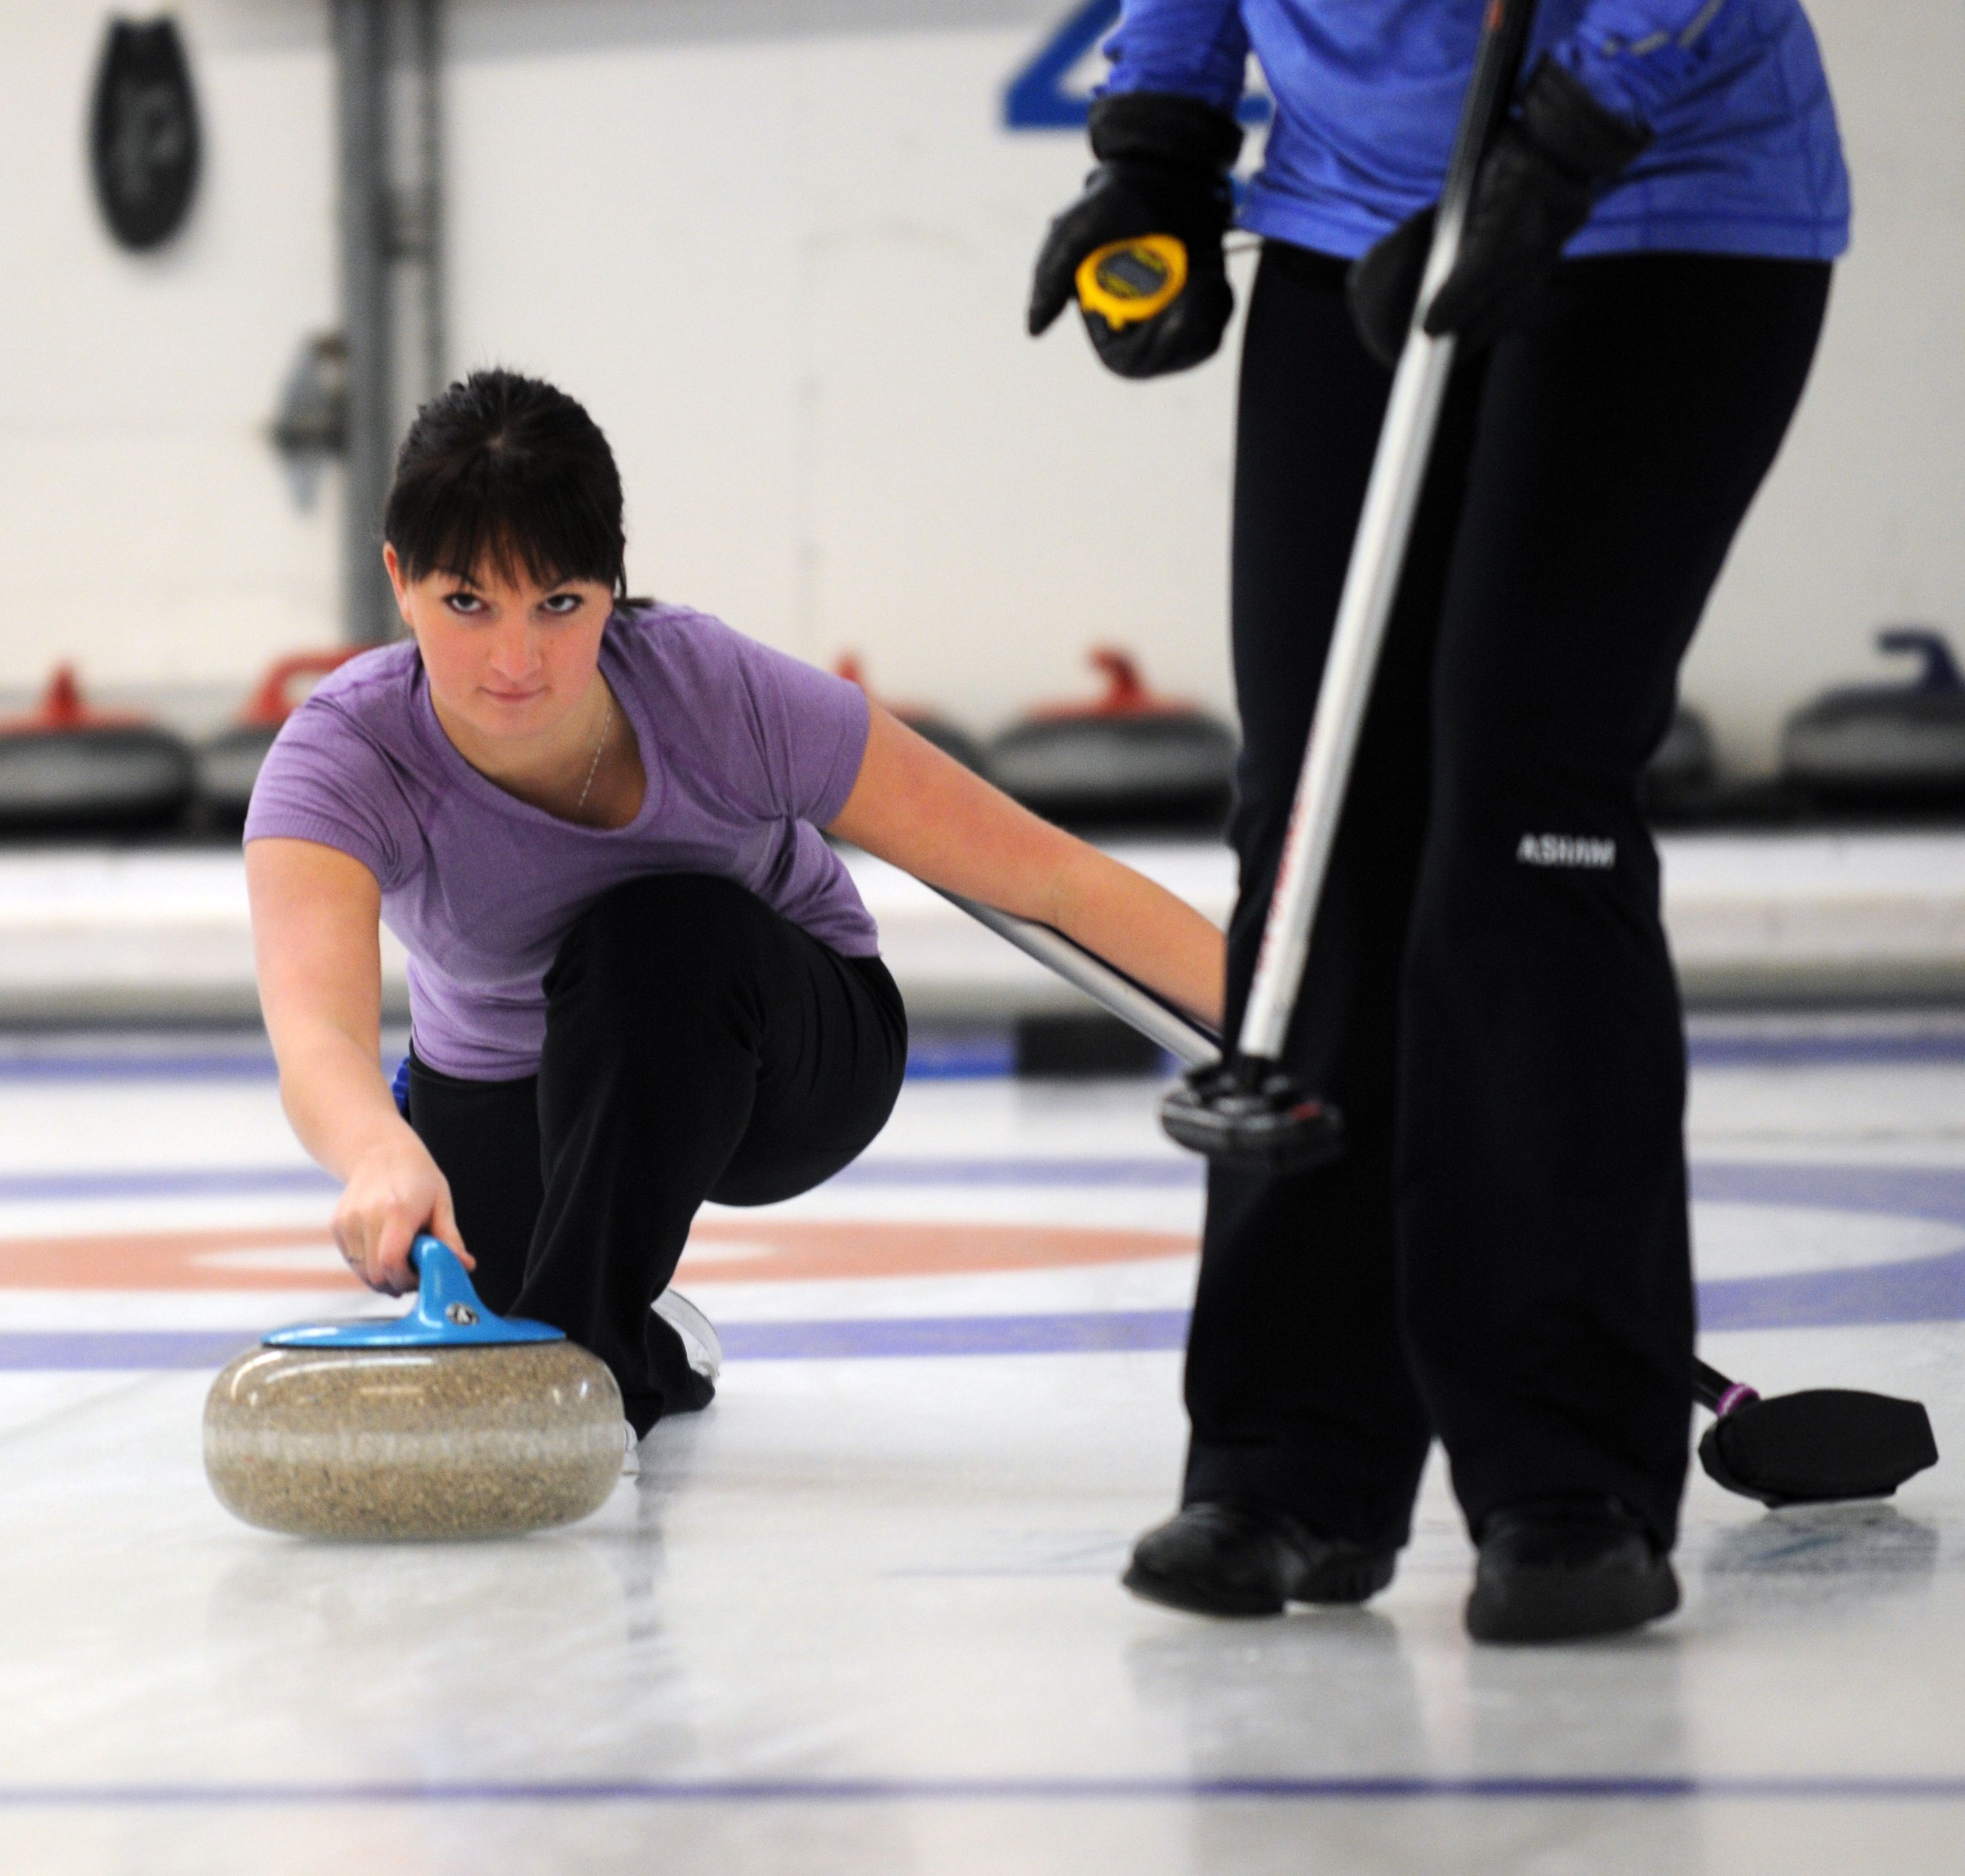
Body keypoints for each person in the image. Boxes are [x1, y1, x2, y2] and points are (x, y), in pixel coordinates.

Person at [1027, 0, 1846, 1641]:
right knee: (1314, 822)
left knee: (1523, 804)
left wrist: (1557, 148)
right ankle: (1283, 1462)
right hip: (1346, 228)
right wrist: (1160, 149)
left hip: (1655, 201)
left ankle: (1567, 1475)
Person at [245, 370, 1225, 1437]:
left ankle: (585, 1384)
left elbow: (1053, 878)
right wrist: (380, 1152)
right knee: (506, 1305)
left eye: (560, 605)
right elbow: (319, 1034)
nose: (516, 662)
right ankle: (636, 1330)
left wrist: (1298, 1040)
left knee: (652, 932)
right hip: (512, 1085)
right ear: (401, 579)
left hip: (782, 1059)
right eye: (468, 604)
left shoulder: (715, 692)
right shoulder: (341, 756)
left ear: (614, 587)